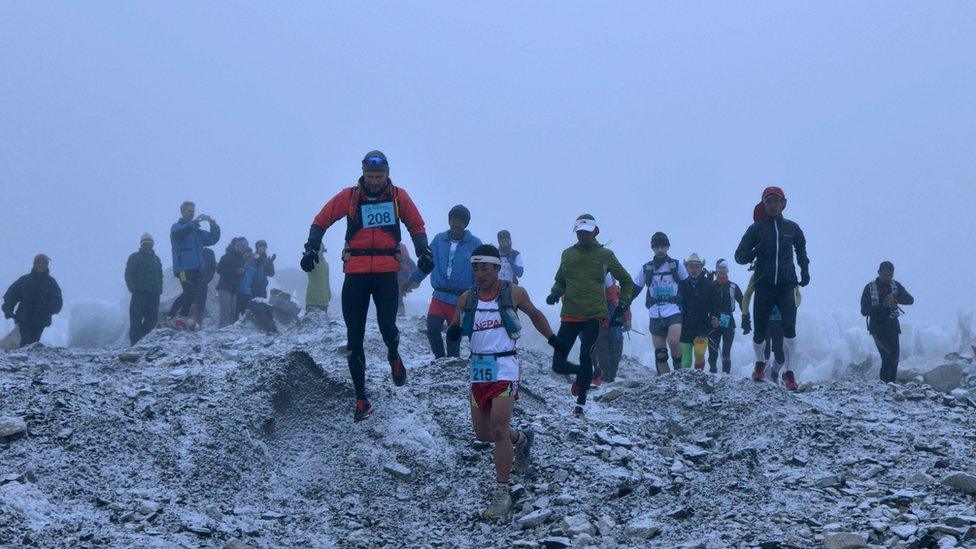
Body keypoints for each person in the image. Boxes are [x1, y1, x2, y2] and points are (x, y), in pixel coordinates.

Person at [300, 150, 432, 421]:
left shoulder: (398, 197)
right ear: (363, 173)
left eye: (379, 176)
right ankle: (361, 398)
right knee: (354, 337)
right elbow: (321, 219)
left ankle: (393, 355)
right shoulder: (350, 197)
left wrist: (424, 252)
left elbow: (415, 224)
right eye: (370, 176)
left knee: (387, 326)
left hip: (386, 273)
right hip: (356, 273)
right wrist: (312, 249)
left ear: (387, 175)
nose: (374, 181)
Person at [445, 245, 564, 520]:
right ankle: (522, 439)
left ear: (498, 268)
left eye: (484, 268)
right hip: (478, 369)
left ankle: (502, 491)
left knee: (498, 429)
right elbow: (455, 321)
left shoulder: (513, 292)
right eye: (475, 268)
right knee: (484, 435)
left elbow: (534, 314)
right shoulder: (467, 297)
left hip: (506, 366)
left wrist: (553, 340)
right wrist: (452, 330)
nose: (479, 273)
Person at [547, 214, 634, 418]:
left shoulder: (605, 255)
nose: (582, 235)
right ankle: (584, 374)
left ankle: (581, 405)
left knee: (586, 354)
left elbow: (627, 280)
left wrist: (622, 305)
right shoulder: (567, 254)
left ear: (595, 231)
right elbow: (560, 280)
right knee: (558, 365)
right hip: (569, 315)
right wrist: (554, 292)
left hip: (594, 316)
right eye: (579, 232)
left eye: (586, 231)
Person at [735, 186, 810, 391]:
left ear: (784, 203)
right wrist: (756, 251)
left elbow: (801, 249)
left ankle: (790, 372)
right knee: (759, 331)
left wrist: (805, 271)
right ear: (763, 204)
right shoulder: (756, 229)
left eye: (776, 201)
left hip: (786, 285)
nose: (773, 204)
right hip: (764, 284)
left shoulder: (792, 228)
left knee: (790, 329)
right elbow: (739, 256)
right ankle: (760, 363)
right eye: (768, 201)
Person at [407, 205, 482, 358]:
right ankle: (440, 359)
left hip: (461, 299)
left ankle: (452, 362)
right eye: (454, 220)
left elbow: (480, 270)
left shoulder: (475, 244)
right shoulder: (439, 240)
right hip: (439, 296)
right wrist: (412, 280)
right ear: (449, 221)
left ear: (466, 224)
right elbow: (426, 263)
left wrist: (478, 293)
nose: (457, 224)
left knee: (453, 336)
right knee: (433, 328)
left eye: (461, 221)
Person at [631, 232, 689, 375]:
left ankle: (679, 371)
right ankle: (666, 381)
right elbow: (634, 289)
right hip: (655, 312)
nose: (660, 250)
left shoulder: (676, 265)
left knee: (674, 341)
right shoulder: (647, 268)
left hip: (674, 309)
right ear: (653, 249)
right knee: (660, 353)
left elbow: (688, 288)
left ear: (668, 247)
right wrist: (622, 306)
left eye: (663, 246)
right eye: (657, 247)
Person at [741, 270, 801, 382]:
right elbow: (748, 293)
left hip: (780, 321)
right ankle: (763, 374)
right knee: (765, 351)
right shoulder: (758, 274)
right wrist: (745, 315)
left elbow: (796, 294)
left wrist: (791, 309)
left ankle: (775, 371)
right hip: (765, 320)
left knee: (780, 356)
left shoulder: (786, 271)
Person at [861, 261, 915, 383]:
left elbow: (910, 300)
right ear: (879, 272)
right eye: (885, 274)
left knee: (895, 359)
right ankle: (885, 386)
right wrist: (884, 306)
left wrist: (895, 299)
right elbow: (864, 311)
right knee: (887, 357)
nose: (887, 277)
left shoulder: (895, 286)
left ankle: (892, 386)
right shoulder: (870, 288)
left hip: (893, 327)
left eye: (889, 275)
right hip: (877, 328)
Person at [167, 202, 220, 324]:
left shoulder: (197, 232)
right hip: (183, 268)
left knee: (192, 295)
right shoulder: (177, 227)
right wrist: (195, 223)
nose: (191, 213)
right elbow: (178, 236)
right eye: (189, 211)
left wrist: (213, 225)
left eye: (192, 211)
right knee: (188, 292)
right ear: (182, 211)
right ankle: (169, 317)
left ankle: (182, 318)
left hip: (196, 269)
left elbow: (212, 239)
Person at [3, 254, 63, 347]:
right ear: (34, 264)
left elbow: (57, 302)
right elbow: (10, 296)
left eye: (44, 263)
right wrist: (8, 312)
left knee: (36, 346)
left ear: (47, 265)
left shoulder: (51, 283)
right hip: (23, 320)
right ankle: (21, 360)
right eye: (38, 263)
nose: (41, 265)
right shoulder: (25, 280)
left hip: (41, 323)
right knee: (24, 345)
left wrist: (46, 309)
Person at [677, 254, 718, 370]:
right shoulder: (680, 284)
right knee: (685, 362)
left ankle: (699, 377)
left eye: (697, 267)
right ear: (686, 267)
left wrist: (716, 317)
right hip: (684, 327)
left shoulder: (709, 285)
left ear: (701, 268)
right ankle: (687, 384)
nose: (694, 269)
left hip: (702, 327)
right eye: (691, 266)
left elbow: (715, 305)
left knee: (699, 354)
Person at [125, 233, 163, 345]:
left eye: (150, 244)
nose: (147, 246)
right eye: (145, 244)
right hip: (139, 294)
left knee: (152, 320)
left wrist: (159, 289)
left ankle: (142, 342)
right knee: (136, 320)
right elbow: (129, 274)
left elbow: (160, 275)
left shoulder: (156, 259)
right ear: (141, 244)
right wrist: (133, 289)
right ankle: (134, 344)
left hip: (154, 295)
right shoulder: (134, 257)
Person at [708, 259, 744, 374]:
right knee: (713, 351)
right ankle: (712, 372)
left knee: (726, 351)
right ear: (716, 269)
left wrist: (745, 317)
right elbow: (703, 303)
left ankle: (726, 376)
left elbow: (743, 302)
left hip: (728, 319)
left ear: (727, 270)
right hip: (713, 320)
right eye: (719, 267)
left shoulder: (733, 286)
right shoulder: (710, 285)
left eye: (724, 268)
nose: (722, 270)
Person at [595, 274, 630, 382]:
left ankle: (610, 378)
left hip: (615, 324)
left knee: (615, 353)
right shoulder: (591, 288)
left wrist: (627, 318)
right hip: (599, 324)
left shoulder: (616, 289)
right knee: (603, 354)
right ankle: (605, 379)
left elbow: (623, 302)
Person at [216, 237, 247, 327]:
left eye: (245, 247)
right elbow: (219, 270)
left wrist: (241, 273)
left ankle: (227, 331)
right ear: (236, 246)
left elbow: (239, 274)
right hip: (224, 287)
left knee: (232, 313)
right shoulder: (227, 256)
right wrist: (235, 271)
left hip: (234, 288)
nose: (243, 249)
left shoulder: (241, 259)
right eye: (242, 246)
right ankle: (222, 332)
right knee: (225, 311)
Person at [192, 247, 217, 326]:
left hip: (202, 283)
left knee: (200, 303)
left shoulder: (208, 252)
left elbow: (213, 267)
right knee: (190, 302)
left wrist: (206, 279)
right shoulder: (192, 249)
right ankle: (190, 323)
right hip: (191, 282)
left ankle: (197, 323)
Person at [305, 247, 331, 313]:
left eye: (321, 251)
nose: (320, 253)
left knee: (322, 322)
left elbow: (327, 281)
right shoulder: (312, 263)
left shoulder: (326, 264)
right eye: (318, 251)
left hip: (324, 301)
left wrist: (329, 293)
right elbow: (306, 268)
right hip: (312, 301)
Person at [237, 247, 257, 320]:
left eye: (250, 254)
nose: (248, 255)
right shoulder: (240, 263)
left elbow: (258, 279)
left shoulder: (252, 267)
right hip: (238, 292)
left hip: (248, 293)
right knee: (237, 313)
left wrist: (261, 265)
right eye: (246, 253)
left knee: (245, 314)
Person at [396, 243, 415, 316]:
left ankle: (401, 312)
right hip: (404, 277)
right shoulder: (402, 246)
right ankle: (400, 312)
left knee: (397, 291)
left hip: (402, 277)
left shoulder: (400, 247)